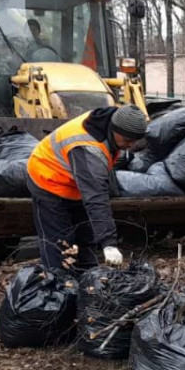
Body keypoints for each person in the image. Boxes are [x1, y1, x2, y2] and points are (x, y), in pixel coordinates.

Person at [26, 105, 148, 272]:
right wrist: (109, 244)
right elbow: (96, 197)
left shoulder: (112, 122)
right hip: (48, 179)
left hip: (75, 183)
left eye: (135, 140)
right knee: (60, 247)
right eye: (127, 140)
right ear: (114, 129)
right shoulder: (88, 146)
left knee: (86, 241)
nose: (131, 145)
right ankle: (57, 288)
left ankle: (88, 286)